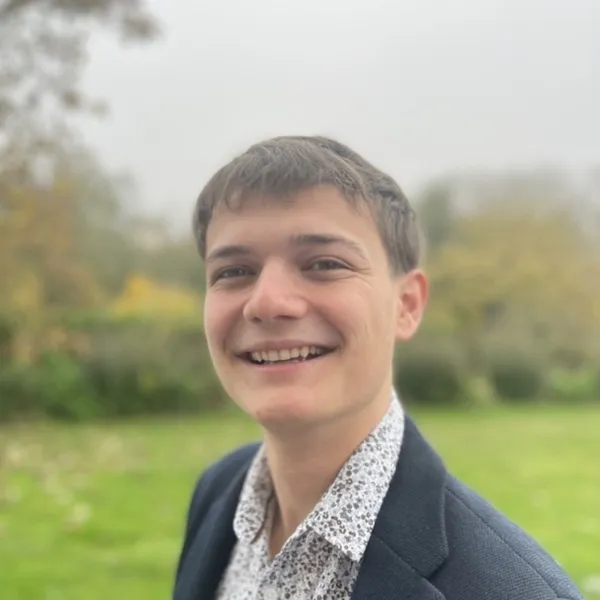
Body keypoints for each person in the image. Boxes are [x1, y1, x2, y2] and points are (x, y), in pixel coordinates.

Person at [172, 136, 583, 600]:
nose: (266, 302)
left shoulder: (511, 590)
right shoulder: (217, 493)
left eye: (324, 263)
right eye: (233, 271)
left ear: (406, 305)